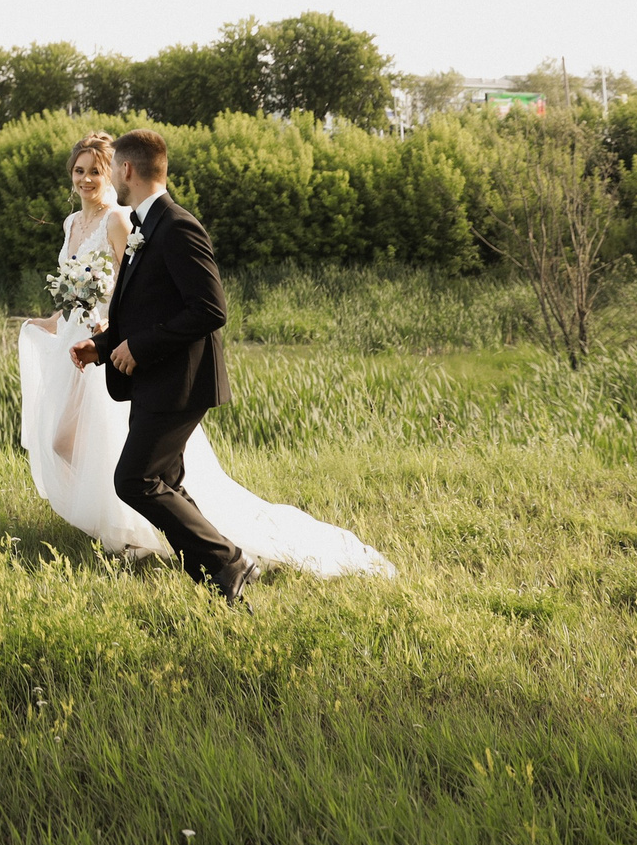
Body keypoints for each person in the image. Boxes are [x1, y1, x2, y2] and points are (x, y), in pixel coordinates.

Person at [21, 128, 393, 597]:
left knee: (135, 479)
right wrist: (107, 343)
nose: (105, 173)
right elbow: (146, 307)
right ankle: (208, 567)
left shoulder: (177, 225)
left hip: (181, 378)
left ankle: (229, 562)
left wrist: (137, 347)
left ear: (127, 170)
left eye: (111, 166)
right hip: (155, 376)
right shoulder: (142, 224)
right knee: (167, 483)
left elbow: (210, 309)